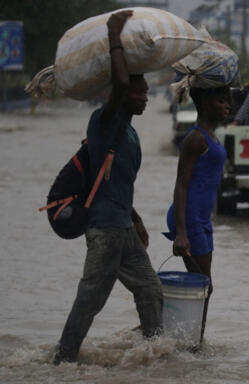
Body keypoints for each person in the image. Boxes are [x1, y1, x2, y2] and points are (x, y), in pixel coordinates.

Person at [53, 10, 163, 364]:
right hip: (103, 229)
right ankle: (63, 360)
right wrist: (114, 33)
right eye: (139, 92)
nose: (145, 97)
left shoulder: (128, 131)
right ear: (123, 93)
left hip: (122, 228)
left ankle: (152, 353)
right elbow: (117, 85)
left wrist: (136, 219)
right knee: (90, 299)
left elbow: (115, 180)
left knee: (150, 290)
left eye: (146, 91)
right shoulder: (104, 120)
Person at [164, 85, 230, 345]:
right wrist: (181, 232)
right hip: (188, 218)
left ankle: (187, 339)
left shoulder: (212, 135)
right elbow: (181, 183)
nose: (227, 106)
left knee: (203, 288)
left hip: (202, 220)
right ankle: (190, 343)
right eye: (221, 101)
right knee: (205, 287)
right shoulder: (196, 138)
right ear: (204, 104)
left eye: (228, 102)